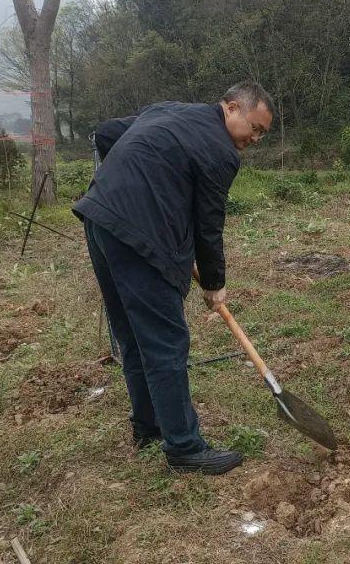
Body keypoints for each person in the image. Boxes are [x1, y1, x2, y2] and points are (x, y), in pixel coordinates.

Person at [74, 82, 274, 474]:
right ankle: (184, 447)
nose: (255, 138)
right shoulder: (220, 153)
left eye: (262, 134)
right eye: (254, 127)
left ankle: (148, 426)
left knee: (132, 334)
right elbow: (208, 226)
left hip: (100, 218)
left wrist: (137, 177)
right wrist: (215, 283)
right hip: (142, 236)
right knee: (166, 341)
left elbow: (107, 132)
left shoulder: (168, 109)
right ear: (231, 108)